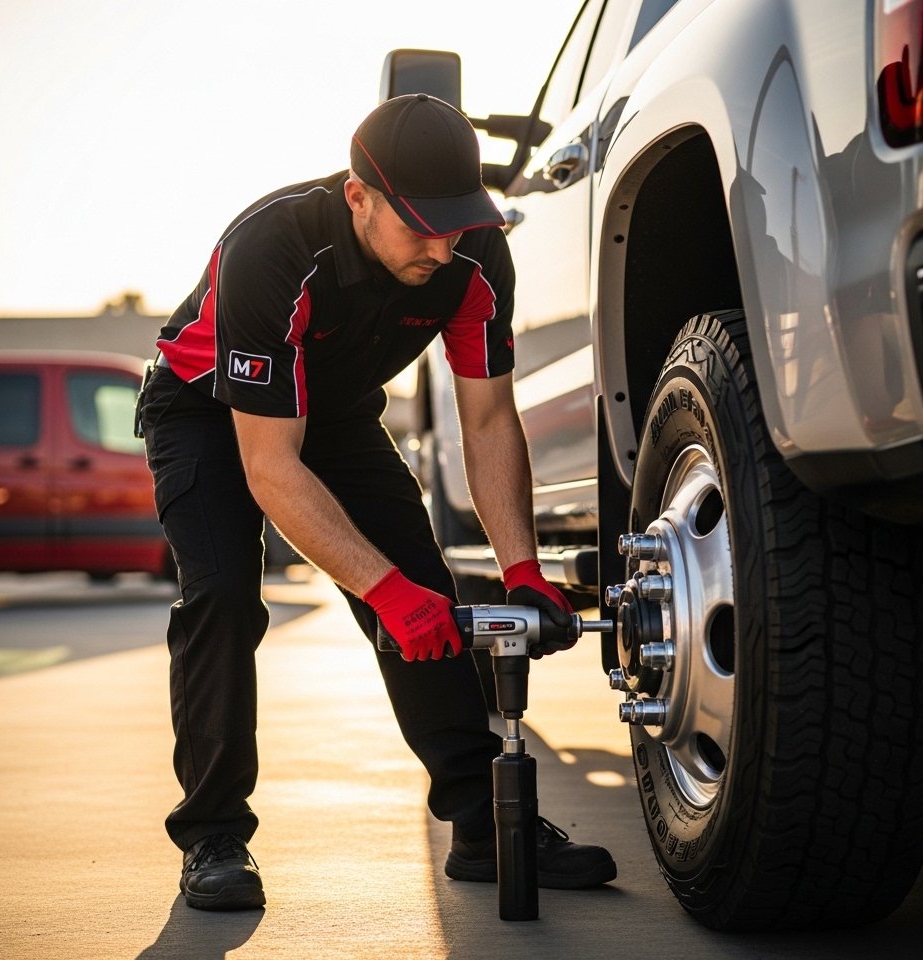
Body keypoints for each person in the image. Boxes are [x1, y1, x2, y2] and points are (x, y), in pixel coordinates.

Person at [139, 93, 617, 911]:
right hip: (209, 415)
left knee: (427, 594)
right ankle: (214, 834)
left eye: (456, 223)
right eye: (420, 224)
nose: (441, 245)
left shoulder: (474, 259)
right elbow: (269, 466)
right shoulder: (273, 251)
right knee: (222, 596)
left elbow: (490, 419)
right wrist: (384, 593)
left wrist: (523, 570)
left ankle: (483, 828)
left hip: (335, 416)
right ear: (358, 196)